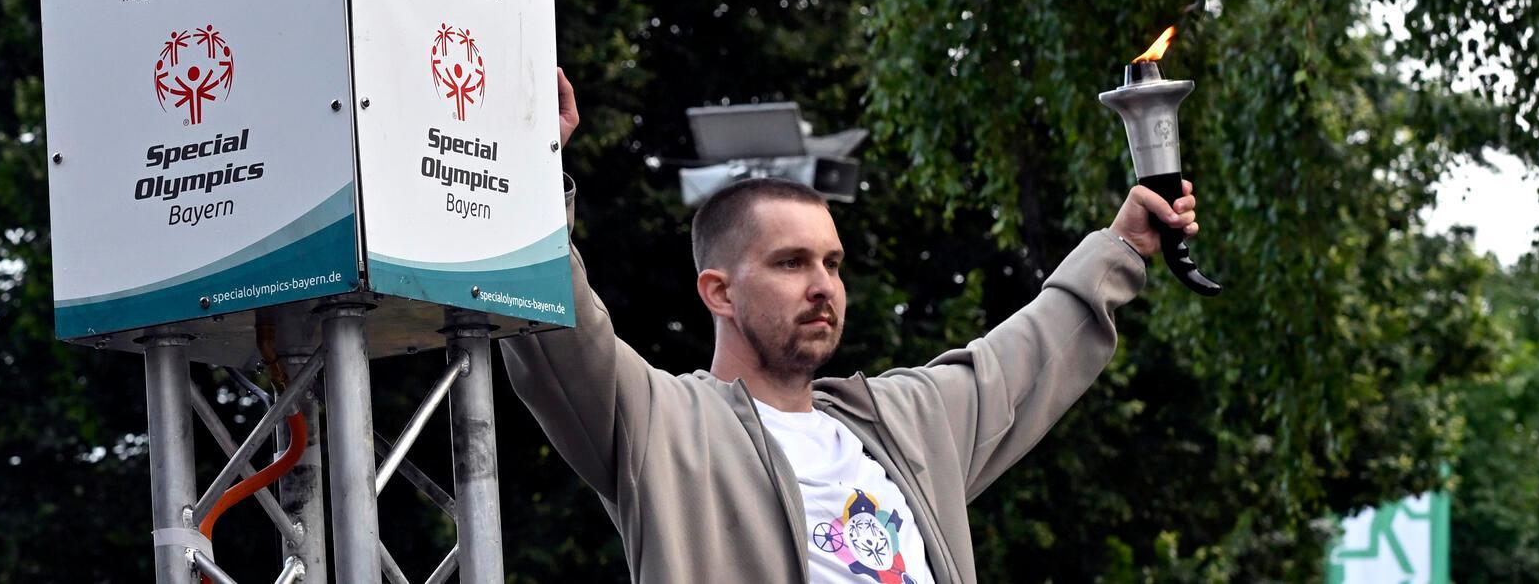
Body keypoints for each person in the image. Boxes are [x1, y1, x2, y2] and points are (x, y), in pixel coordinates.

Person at [504, 71, 1201, 584]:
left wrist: (1122, 247)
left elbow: (1028, 353)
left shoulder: (903, 422)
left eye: (833, 263)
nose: (823, 286)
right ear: (717, 291)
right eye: (789, 262)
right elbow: (557, 331)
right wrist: (529, 171)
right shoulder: (662, 424)